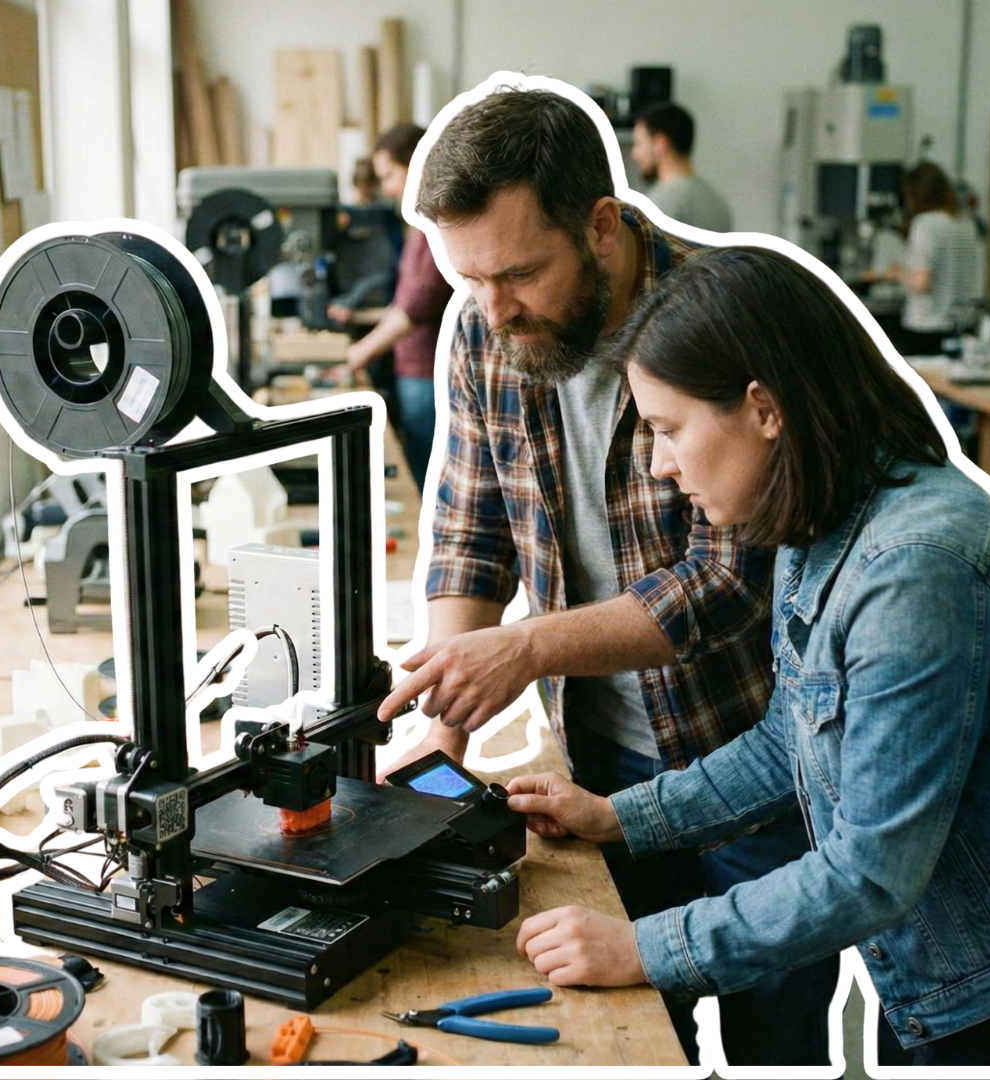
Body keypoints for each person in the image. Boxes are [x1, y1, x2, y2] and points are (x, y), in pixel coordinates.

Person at [507, 244, 990, 1073]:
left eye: (670, 429)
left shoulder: (917, 570)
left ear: (764, 408)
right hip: (948, 982)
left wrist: (643, 949)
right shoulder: (820, 514)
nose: (660, 465)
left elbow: (869, 873)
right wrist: (618, 817)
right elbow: (791, 737)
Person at [374, 85, 836, 1066]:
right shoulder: (484, 329)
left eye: (519, 275)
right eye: (471, 284)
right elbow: (471, 532)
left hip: (759, 765)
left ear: (601, 225)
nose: (496, 310)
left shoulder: (723, 317)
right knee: (626, 1038)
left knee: (772, 1044)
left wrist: (529, 645)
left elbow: (730, 579)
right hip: (604, 772)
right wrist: (440, 737)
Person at [333, 123, 454, 487]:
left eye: (389, 175)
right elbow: (402, 300)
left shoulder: (439, 223)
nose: (386, 187)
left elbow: (414, 307)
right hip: (413, 370)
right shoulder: (421, 225)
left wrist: (359, 353)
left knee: (426, 482)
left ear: (417, 163)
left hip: (428, 373)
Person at [885, 160, 984, 356]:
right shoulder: (967, 224)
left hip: (926, 329)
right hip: (963, 327)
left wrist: (897, 273)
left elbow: (922, 282)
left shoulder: (925, 224)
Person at [630, 102, 732, 233]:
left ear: (661, 144)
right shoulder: (718, 204)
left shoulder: (656, 207)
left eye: (639, 144)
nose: (634, 155)